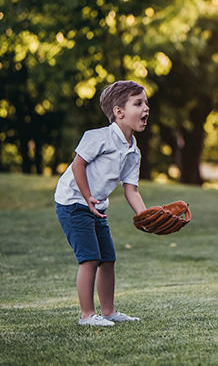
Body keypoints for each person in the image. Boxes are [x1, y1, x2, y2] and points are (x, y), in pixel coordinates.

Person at [54, 80, 150, 326]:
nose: (146, 108)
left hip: (98, 207)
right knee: (90, 259)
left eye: (146, 103)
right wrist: (87, 197)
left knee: (107, 259)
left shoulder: (133, 151)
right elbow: (78, 164)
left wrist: (146, 217)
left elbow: (131, 190)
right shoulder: (98, 137)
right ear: (119, 112)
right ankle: (87, 315)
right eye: (138, 103)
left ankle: (108, 312)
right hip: (73, 202)